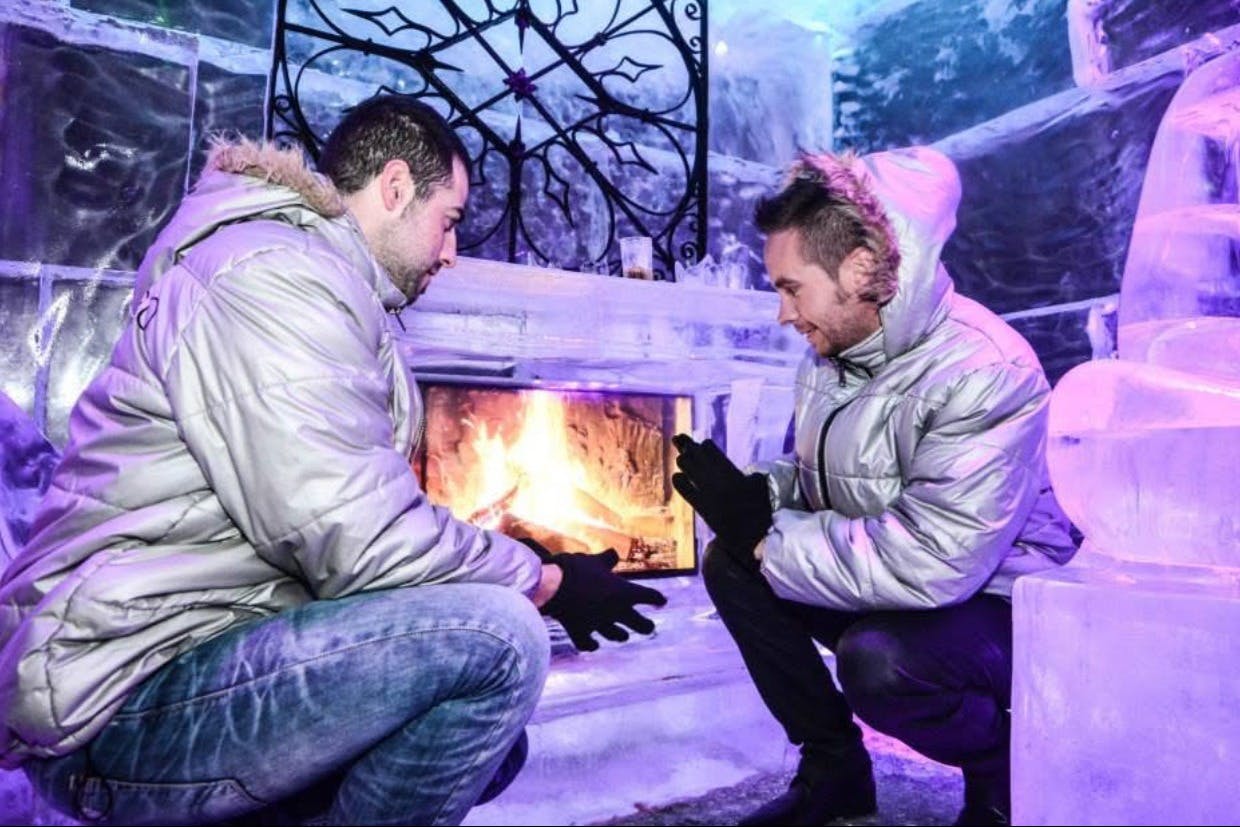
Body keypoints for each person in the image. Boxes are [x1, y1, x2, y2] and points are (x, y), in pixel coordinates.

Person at [0, 95, 666, 826]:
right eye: (449, 222)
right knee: (498, 641)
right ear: (393, 188)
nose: (452, 252)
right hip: (119, 695)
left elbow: (350, 513)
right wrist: (545, 577)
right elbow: (354, 535)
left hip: (201, 645)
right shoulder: (274, 275)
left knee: (491, 742)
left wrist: (526, 557)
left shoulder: (324, 286)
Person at [671, 147, 1077, 827]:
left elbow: (935, 559)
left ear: (860, 268)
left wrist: (769, 539)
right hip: (901, 584)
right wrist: (752, 500)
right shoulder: (832, 356)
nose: (782, 313)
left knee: (880, 663)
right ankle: (835, 771)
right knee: (730, 562)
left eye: (790, 287)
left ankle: (1006, 770)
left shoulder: (984, 367)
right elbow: (819, 486)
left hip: (1003, 606)